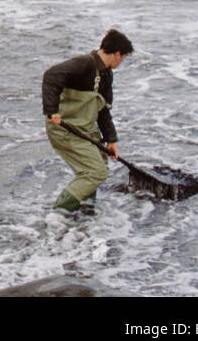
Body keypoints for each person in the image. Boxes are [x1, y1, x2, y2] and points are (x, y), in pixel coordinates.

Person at [42, 28, 134, 212]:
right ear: (117, 54)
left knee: (99, 162)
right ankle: (59, 215)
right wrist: (51, 111)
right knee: (95, 172)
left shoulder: (106, 75)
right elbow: (51, 77)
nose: (121, 61)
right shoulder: (83, 64)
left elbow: (103, 110)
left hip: (85, 128)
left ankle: (85, 208)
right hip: (65, 129)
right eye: (123, 57)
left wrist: (111, 140)